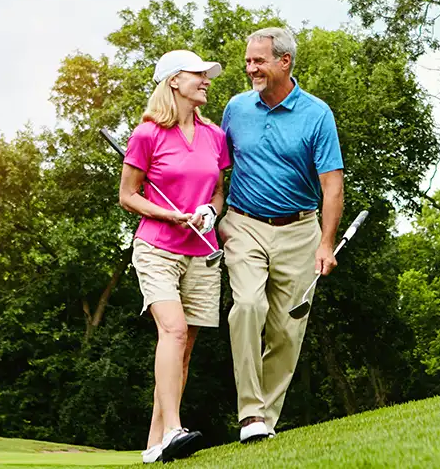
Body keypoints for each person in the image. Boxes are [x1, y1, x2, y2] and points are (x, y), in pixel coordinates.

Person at [218, 27, 344, 442]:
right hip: (244, 223)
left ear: (285, 62)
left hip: (299, 231)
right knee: (248, 305)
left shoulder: (316, 114)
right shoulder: (236, 108)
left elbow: (332, 186)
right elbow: (215, 168)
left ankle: (264, 423)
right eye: (249, 60)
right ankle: (250, 414)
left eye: (259, 61)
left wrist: (326, 243)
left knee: (288, 331)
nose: (250, 68)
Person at [118, 50, 230, 463]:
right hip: (157, 248)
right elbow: (128, 196)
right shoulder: (147, 134)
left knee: (182, 351)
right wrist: (168, 214)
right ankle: (173, 430)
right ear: (173, 82)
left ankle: (154, 445)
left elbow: (217, 190)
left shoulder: (214, 136)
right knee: (174, 331)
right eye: (198, 75)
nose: (206, 80)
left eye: (206, 75)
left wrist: (210, 211)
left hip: (202, 251)